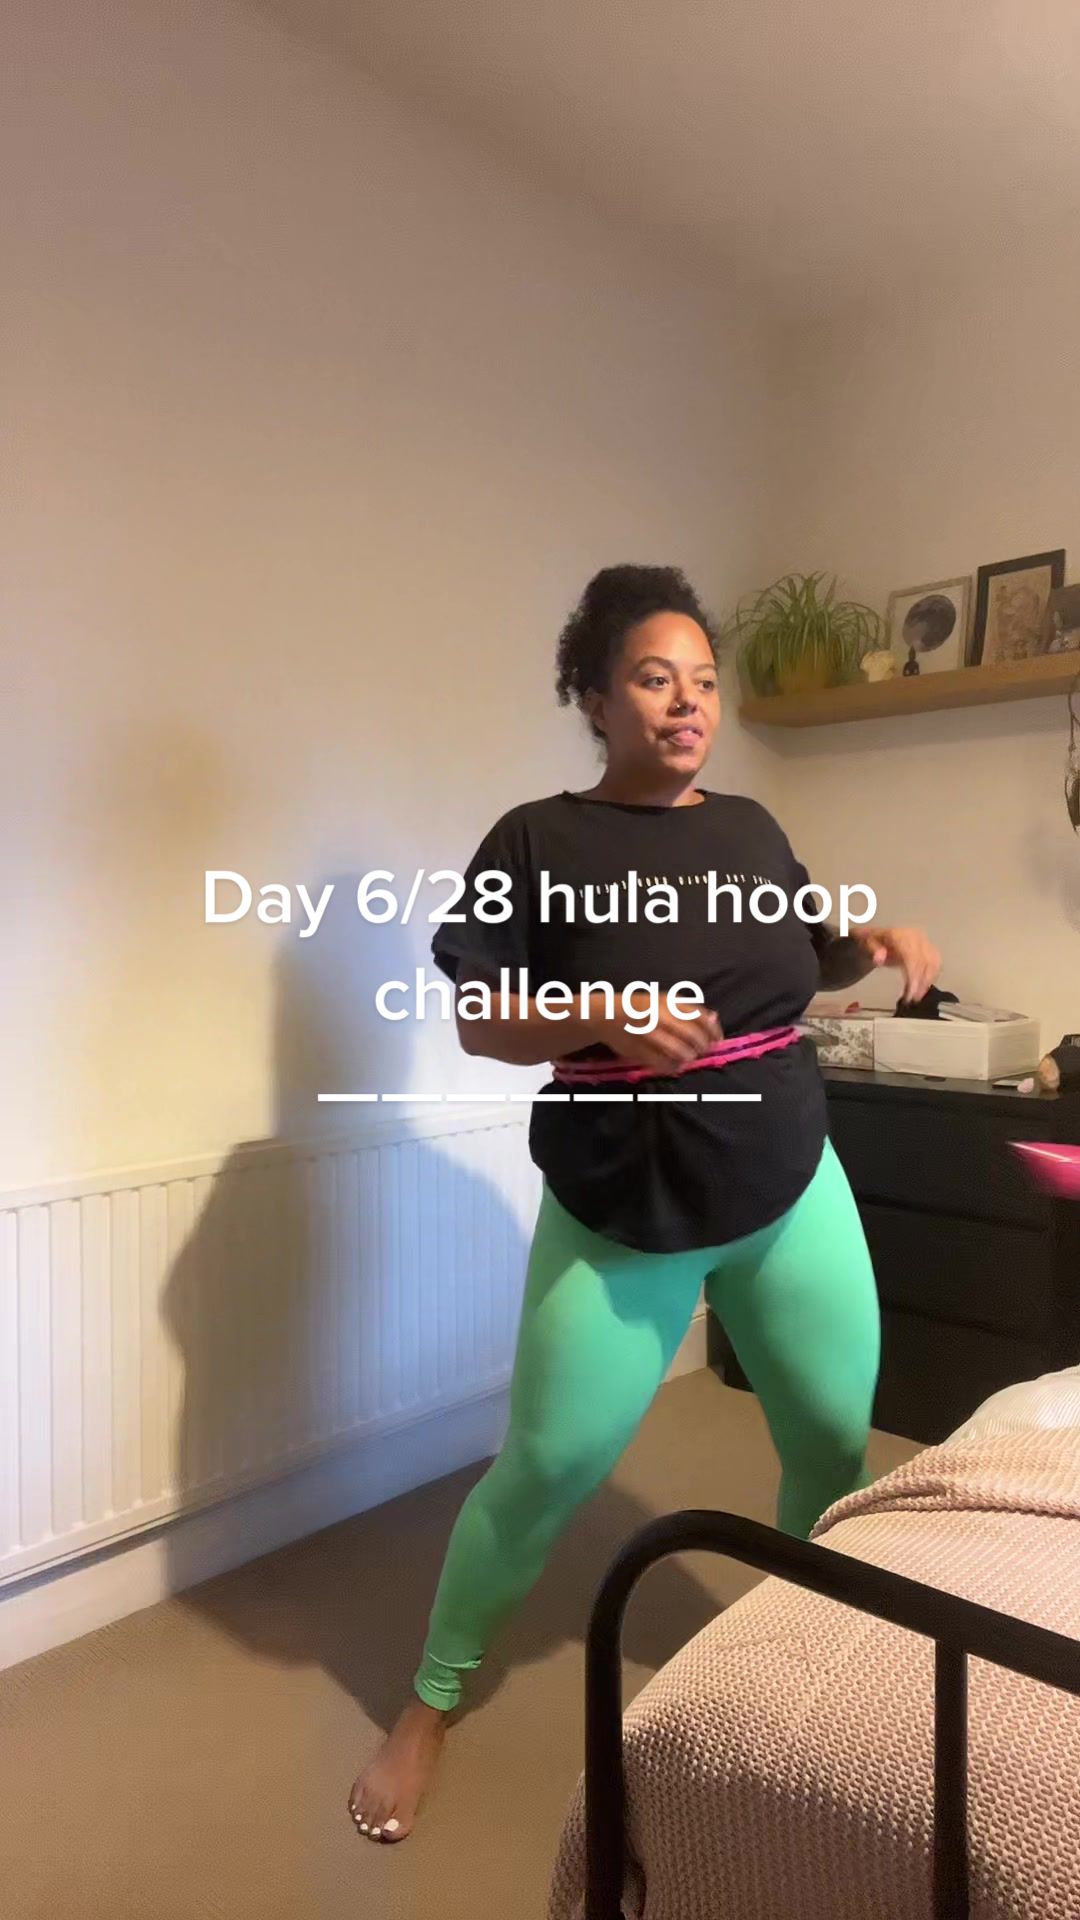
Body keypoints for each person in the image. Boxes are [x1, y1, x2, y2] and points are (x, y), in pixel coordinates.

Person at [350, 564, 940, 1842]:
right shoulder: (534, 840)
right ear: (595, 698)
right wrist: (598, 1013)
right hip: (623, 1211)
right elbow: (481, 1017)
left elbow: (803, 956)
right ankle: (430, 1703)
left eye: (704, 682)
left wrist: (871, 943)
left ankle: (798, 1651)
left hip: (788, 1184)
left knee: (831, 1441)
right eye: (654, 678)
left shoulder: (752, 829)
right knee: (548, 1466)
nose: (688, 703)